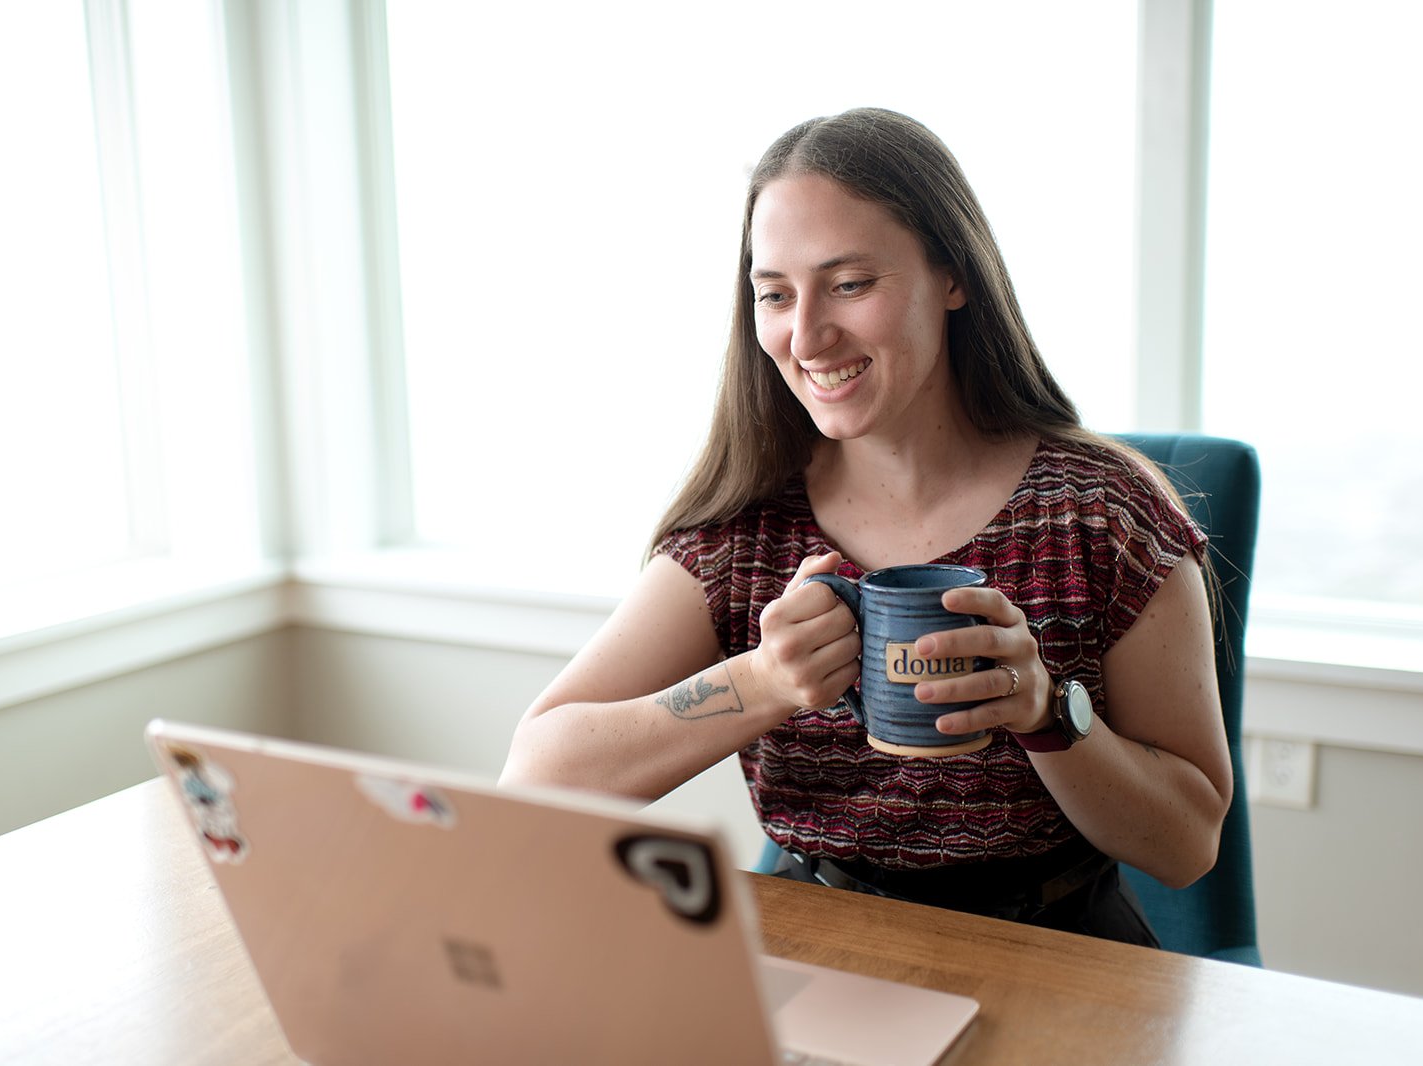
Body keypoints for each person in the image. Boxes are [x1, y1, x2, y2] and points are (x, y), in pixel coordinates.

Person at [500, 108, 1231, 946]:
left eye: (849, 284)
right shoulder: (745, 531)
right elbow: (536, 773)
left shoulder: (1104, 515)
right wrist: (764, 683)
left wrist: (1046, 716)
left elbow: (1187, 846)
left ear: (954, 276)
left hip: (1061, 949)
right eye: (775, 294)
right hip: (822, 947)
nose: (805, 336)